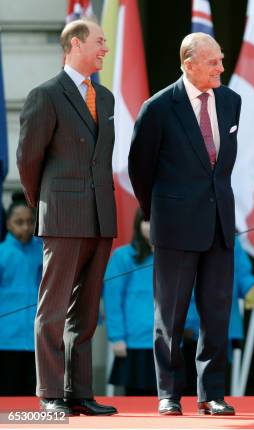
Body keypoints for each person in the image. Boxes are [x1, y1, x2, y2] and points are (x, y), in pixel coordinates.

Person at [128, 32, 241, 416]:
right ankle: (169, 393)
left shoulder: (231, 101)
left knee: (216, 312)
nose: (221, 68)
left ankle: (211, 394)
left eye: (221, 60)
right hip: (174, 226)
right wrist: (157, 211)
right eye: (213, 62)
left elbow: (221, 168)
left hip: (220, 225)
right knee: (170, 315)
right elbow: (139, 169)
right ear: (188, 64)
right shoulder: (159, 107)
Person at [16, 19, 117, 416]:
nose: (104, 48)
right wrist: (47, 201)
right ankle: (51, 393)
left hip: (99, 218)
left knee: (87, 312)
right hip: (62, 215)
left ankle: (79, 393)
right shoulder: (46, 95)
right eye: (99, 41)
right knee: (54, 309)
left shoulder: (105, 98)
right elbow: (28, 159)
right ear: (76, 44)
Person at [104, 209, 200, 396]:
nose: (152, 226)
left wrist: (190, 325)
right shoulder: (122, 257)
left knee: (172, 402)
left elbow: (188, 294)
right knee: (137, 406)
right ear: (138, 225)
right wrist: (116, 337)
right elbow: (112, 299)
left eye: (158, 221)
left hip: (170, 343)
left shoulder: (177, 257)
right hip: (135, 345)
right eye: (147, 221)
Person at [0, 197, 42, 396]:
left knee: (33, 399)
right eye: (19, 222)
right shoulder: (2, 253)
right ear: (8, 224)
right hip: (5, 341)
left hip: (37, 342)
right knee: (7, 398)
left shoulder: (44, 251)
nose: (25, 227)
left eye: (29, 221)